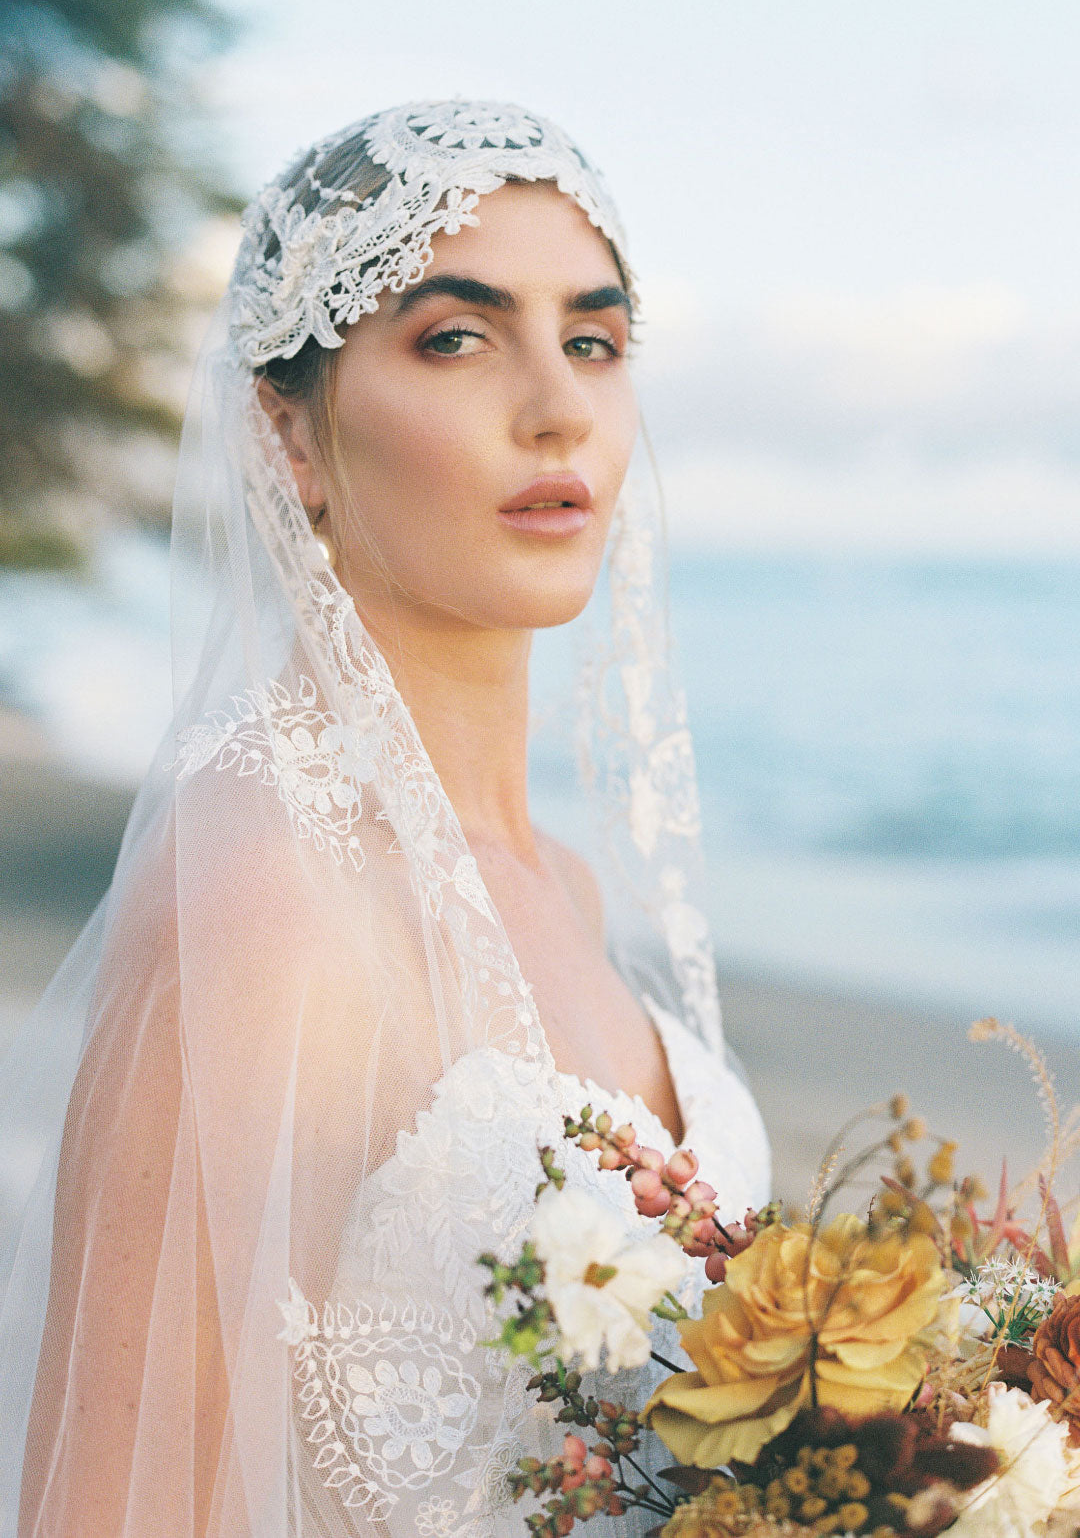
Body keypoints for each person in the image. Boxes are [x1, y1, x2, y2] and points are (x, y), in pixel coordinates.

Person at [0, 99, 770, 1536]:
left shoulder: (574, 892)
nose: (558, 407)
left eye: (592, 340)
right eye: (457, 337)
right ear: (286, 430)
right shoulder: (267, 886)